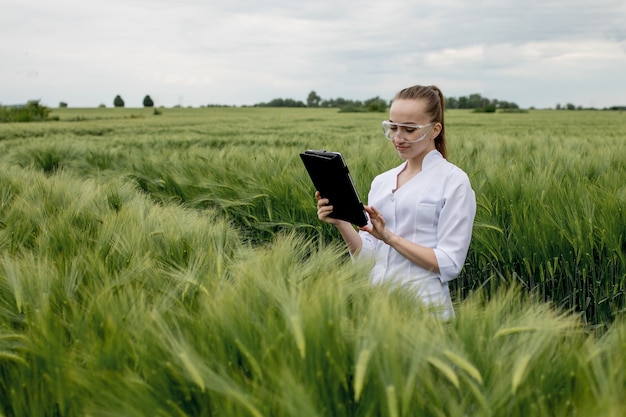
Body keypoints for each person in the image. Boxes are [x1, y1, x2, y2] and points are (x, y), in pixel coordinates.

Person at [316, 84, 476, 319]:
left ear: (435, 130)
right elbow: (368, 258)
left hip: (425, 312)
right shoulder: (382, 182)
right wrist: (341, 222)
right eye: (392, 127)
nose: (397, 138)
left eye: (409, 130)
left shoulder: (454, 182)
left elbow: (450, 263)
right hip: (378, 309)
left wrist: (390, 238)